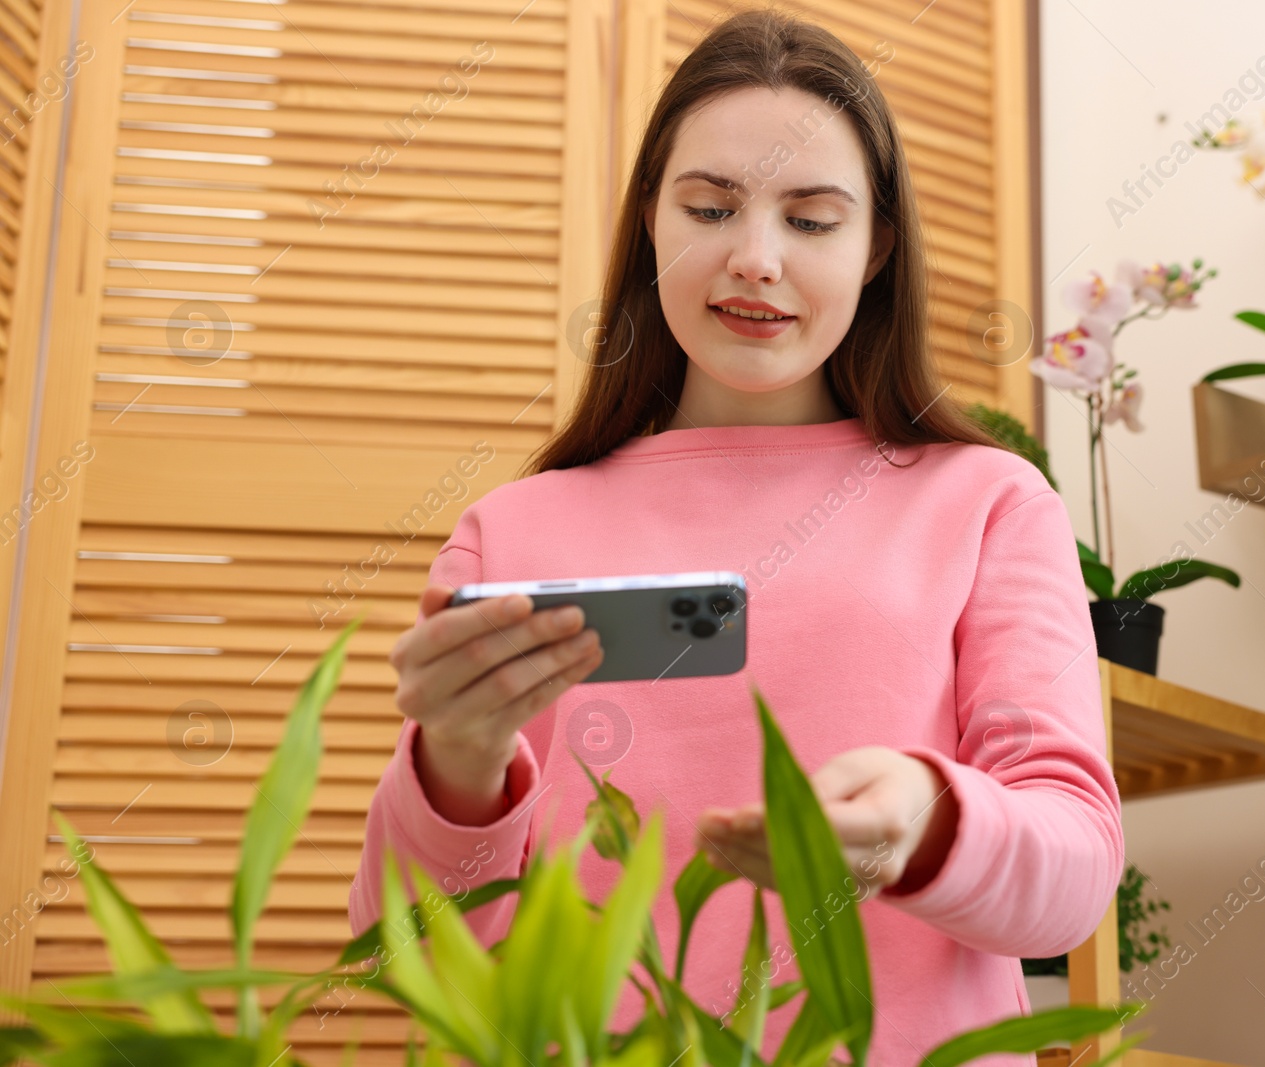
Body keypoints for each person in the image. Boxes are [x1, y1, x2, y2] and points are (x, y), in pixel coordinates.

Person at [349, 10, 1123, 1065]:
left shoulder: (987, 500)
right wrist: (460, 762)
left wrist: (925, 820)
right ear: (652, 222)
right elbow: (410, 961)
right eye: (710, 207)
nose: (754, 258)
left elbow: (1073, 882)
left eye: (811, 220)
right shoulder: (512, 531)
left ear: (877, 244)